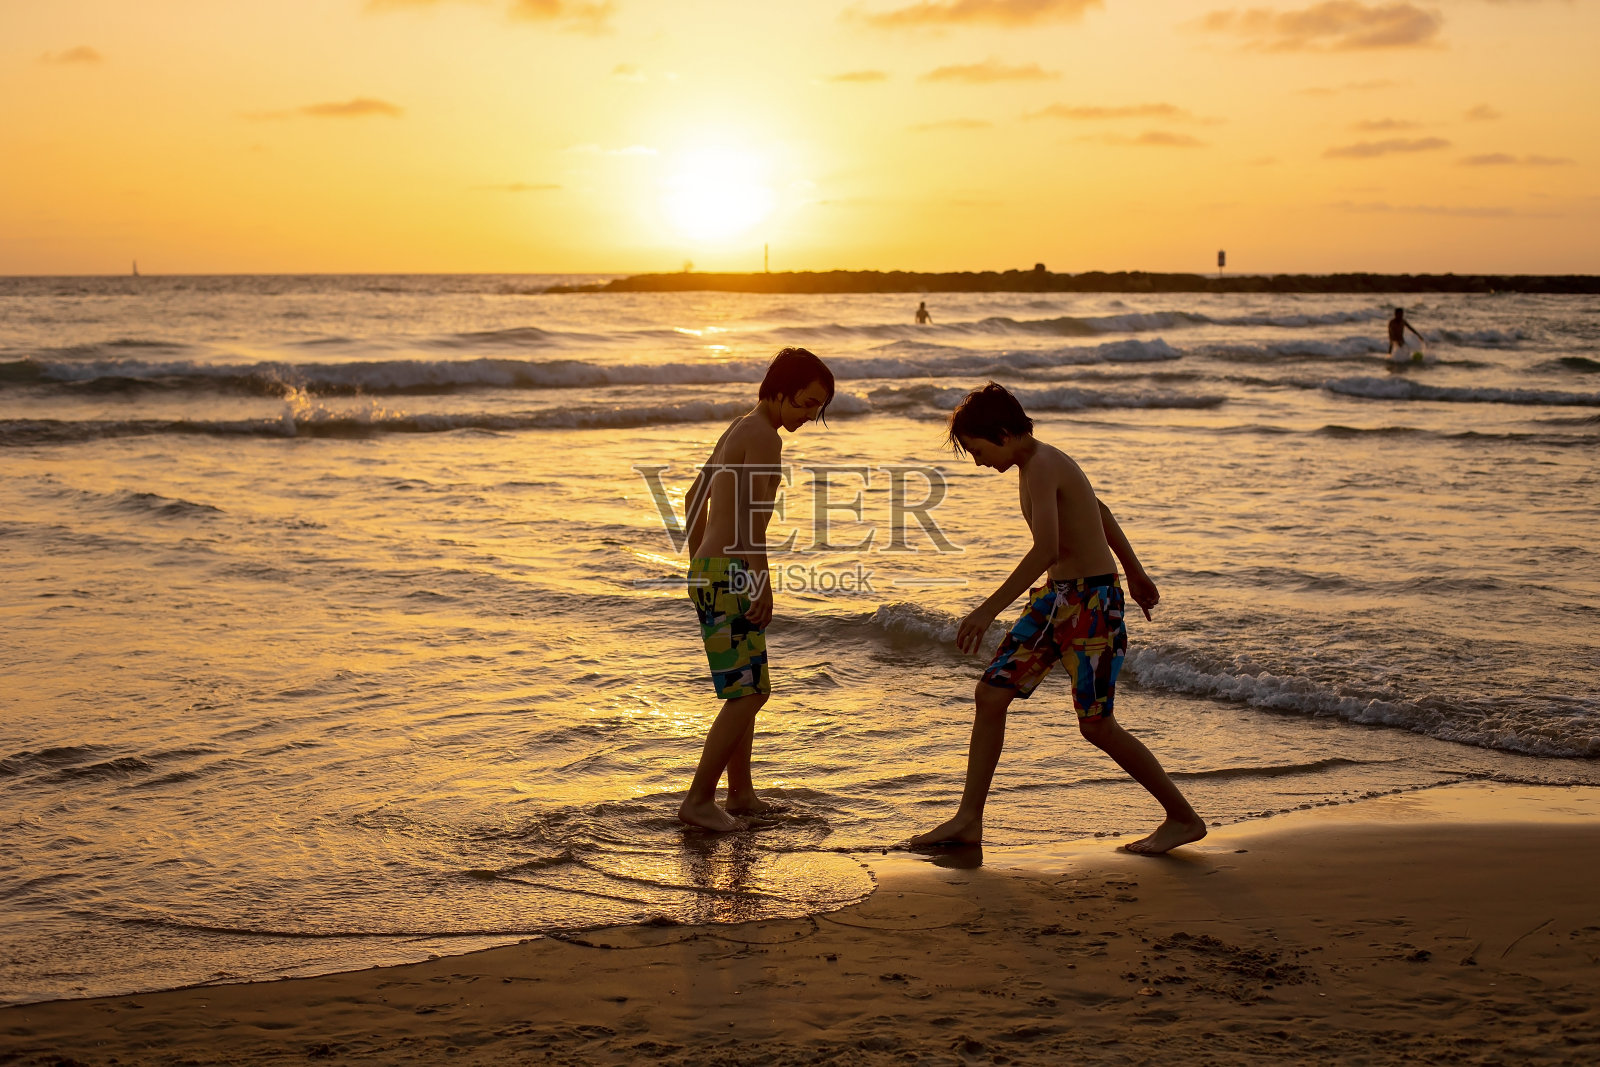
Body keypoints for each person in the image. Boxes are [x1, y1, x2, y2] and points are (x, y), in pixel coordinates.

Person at [910, 382, 1206, 855]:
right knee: (990, 695)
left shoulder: (1044, 465)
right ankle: (968, 821)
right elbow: (1100, 511)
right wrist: (1136, 572)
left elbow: (1047, 548)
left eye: (978, 449)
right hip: (1057, 602)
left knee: (1097, 725)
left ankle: (1183, 817)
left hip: (1089, 605)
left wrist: (987, 610)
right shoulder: (1037, 464)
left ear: (1004, 433)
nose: (978, 461)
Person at [678, 347, 835, 832]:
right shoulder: (765, 438)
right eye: (806, 403)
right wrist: (759, 582)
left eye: (818, 408)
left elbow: (691, 497)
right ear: (780, 392)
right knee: (749, 694)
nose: (810, 416)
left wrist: (698, 562)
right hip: (730, 573)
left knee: (744, 687)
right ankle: (699, 800)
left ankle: (740, 793)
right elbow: (752, 523)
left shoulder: (738, 427)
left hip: (711, 569)